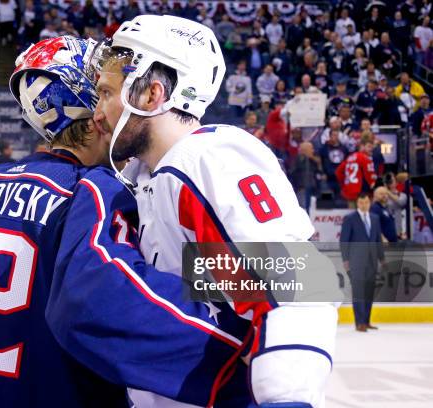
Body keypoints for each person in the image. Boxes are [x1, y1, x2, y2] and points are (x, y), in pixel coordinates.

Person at [0, 36, 256, 408]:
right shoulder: (97, 190)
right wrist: (236, 351)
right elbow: (105, 303)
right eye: (106, 92)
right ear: (92, 110)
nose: (112, 106)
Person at [88, 15, 338, 407]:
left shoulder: (204, 158)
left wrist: (287, 398)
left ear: (152, 95)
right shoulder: (153, 178)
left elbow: (294, 286)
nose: (97, 113)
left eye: (106, 94)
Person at [340, 193, 384, 332]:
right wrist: (345, 259)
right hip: (356, 261)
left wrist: (382, 258)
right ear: (357, 203)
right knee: (358, 291)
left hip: (372, 261)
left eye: (366, 202)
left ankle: (366, 321)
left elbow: (377, 240)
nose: (364, 205)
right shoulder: (350, 219)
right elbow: (344, 241)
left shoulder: (375, 218)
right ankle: (359, 323)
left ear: (369, 203)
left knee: (369, 292)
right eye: (361, 202)